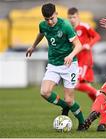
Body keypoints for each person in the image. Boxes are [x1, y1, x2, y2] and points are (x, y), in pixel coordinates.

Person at [26, 3, 85, 131]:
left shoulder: (65, 26)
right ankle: (64, 106)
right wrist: (33, 46)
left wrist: (71, 55)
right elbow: (41, 33)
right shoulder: (43, 25)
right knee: (44, 92)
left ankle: (82, 122)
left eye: (52, 18)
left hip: (69, 65)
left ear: (56, 14)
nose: (50, 22)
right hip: (53, 64)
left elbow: (79, 45)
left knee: (70, 100)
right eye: (47, 19)